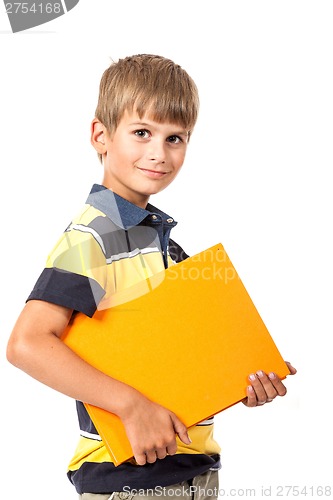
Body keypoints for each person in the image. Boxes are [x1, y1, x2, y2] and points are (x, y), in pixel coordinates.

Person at [7, 54, 296, 500]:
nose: (159, 153)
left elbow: (171, 362)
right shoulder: (94, 234)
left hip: (192, 470)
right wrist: (130, 405)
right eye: (142, 132)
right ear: (100, 136)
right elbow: (27, 344)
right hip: (130, 478)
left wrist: (242, 380)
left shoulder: (163, 243)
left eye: (175, 138)